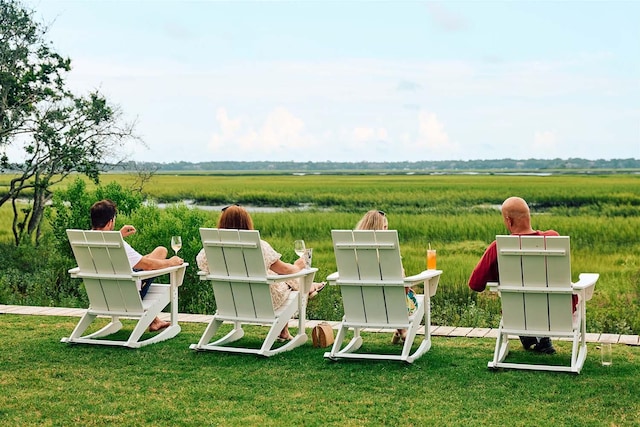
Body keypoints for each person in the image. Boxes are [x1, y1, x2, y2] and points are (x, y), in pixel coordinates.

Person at [196, 204, 326, 342]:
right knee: (285, 280)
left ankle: (284, 331)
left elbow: (203, 266)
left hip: (231, 301)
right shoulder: (259, 246)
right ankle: (310, 287)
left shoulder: (210, 248)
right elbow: (286, 271)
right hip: (263, 301)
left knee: (272, 273)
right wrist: (298, 265)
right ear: (246, 222)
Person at [468, 196, 558, 354]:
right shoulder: (552, 239)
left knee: (522, 301)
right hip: (555, 312)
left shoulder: (498, 247)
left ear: (508, 221)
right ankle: (540, 338)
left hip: (516, 312)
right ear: (529, 217)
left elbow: (475, 284)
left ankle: (528, 335)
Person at [90, 199, 184, 332]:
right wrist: (171, 263)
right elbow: (148, 266)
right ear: (111, 222)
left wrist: (118, 235)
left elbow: (104, 244)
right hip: (128, 295)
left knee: (160, 251)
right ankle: (155, 321)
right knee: (156, 257)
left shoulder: (86, 240)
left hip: (102, 294)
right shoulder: (118, 245)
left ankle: (155, 321)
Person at [355, 209, 417, 345]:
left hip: (360, 307)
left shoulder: (353, 251)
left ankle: (400, 331)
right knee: (411, 298)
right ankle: (403, 330)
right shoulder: (387, 252)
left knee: (391, 297)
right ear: (377, 229)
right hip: (392, 308)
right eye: (384, 227)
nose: (387, 230)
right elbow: (404, 288)